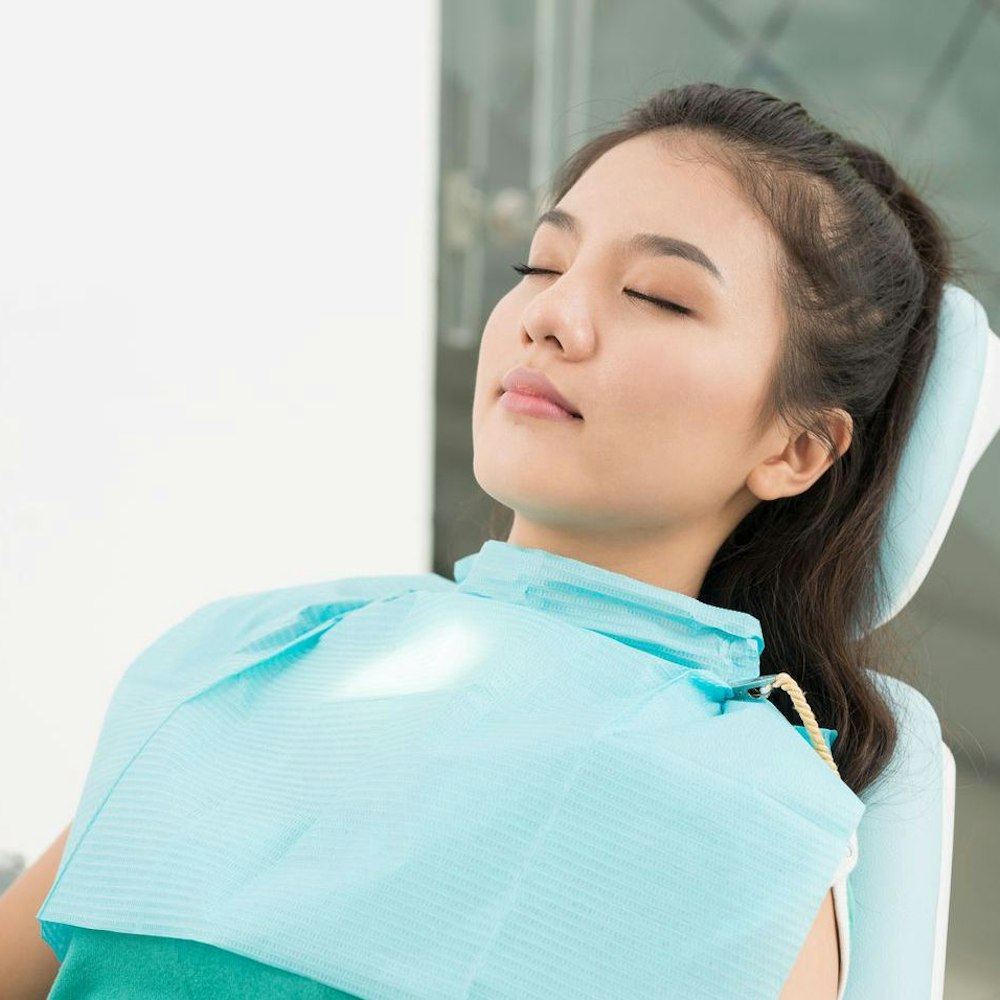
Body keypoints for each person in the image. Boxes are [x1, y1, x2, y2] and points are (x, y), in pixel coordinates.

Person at [0, 82, 956, 1000]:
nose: (549, 316)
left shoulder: (746, 812)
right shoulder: (262, 648)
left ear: (797, 447)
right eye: (541, 266)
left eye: (657, 295)